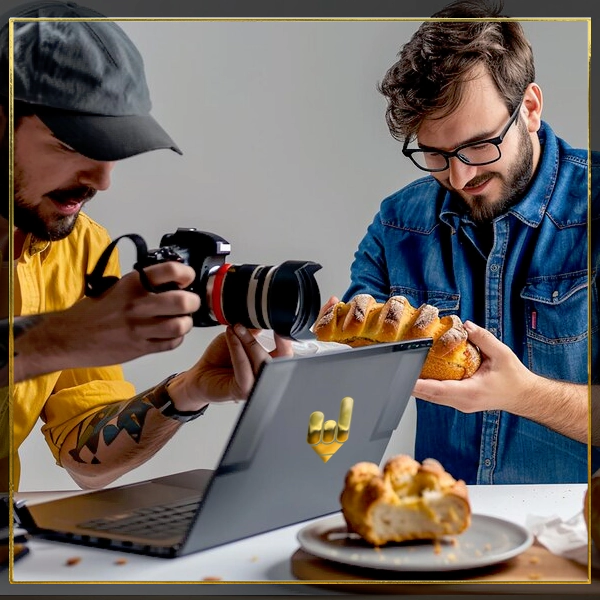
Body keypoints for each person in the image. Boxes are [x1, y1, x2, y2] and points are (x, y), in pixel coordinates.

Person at [0, 1, 292, 493]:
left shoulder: (79, 245)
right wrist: (55, 339)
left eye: (113, 149)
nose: (102, 180)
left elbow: (84, 455)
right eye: (72, 145)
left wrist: (187, 390)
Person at [329, 0, 599, 484]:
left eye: (479, 145)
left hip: (576, 539)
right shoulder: (399, 224)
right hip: (446, 529)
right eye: (435, 154)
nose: (460, 175)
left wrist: (525, 394)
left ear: (531, 109)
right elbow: (353, 377)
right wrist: (304, 356)